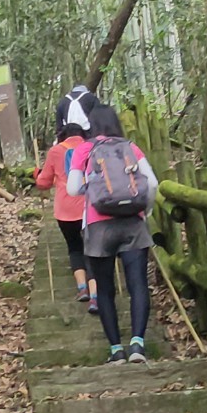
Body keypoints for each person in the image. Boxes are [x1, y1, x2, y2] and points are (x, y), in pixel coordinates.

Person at [67, 105, 158, 364]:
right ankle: (138, 345)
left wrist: (93, 187)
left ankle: (116, 350)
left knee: (105, 289)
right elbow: (151, 183)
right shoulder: (130, 146)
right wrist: (146, 211)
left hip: (98, 227)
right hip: (132, 223)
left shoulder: (83, 150)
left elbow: (73, 189)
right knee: (138, 284)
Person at [35, 123, 99, 314]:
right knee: (93, 250)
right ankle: (95, 297)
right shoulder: (93, 147)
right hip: (91, 206)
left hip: (65, 209)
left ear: (63, 135)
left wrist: (37, 175)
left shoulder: (55, 151)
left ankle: (82, 289)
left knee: (74, 247)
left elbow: (43, 183)